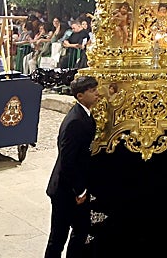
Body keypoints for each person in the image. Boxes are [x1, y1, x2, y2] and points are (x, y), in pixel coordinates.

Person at [45, 75, 103, 258]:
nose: (97, 94)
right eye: (92, 91)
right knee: (58, 237)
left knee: (80, 229)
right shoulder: (75, 121)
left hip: (71, 188)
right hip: (66, 190)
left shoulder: (83, 114)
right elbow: (68, 160)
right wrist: (79, 191)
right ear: (80, 96)